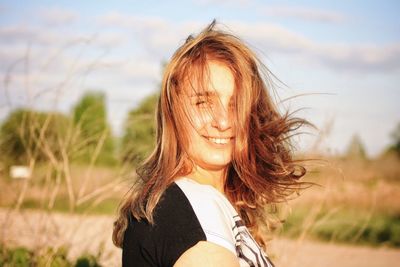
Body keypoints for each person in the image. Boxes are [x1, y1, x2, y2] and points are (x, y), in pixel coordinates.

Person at [113, 20, 307, 267]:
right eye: (203, 102)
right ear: (172, 111)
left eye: (236, 104)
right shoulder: (192, 210)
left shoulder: (194, 205)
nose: (224, 121)